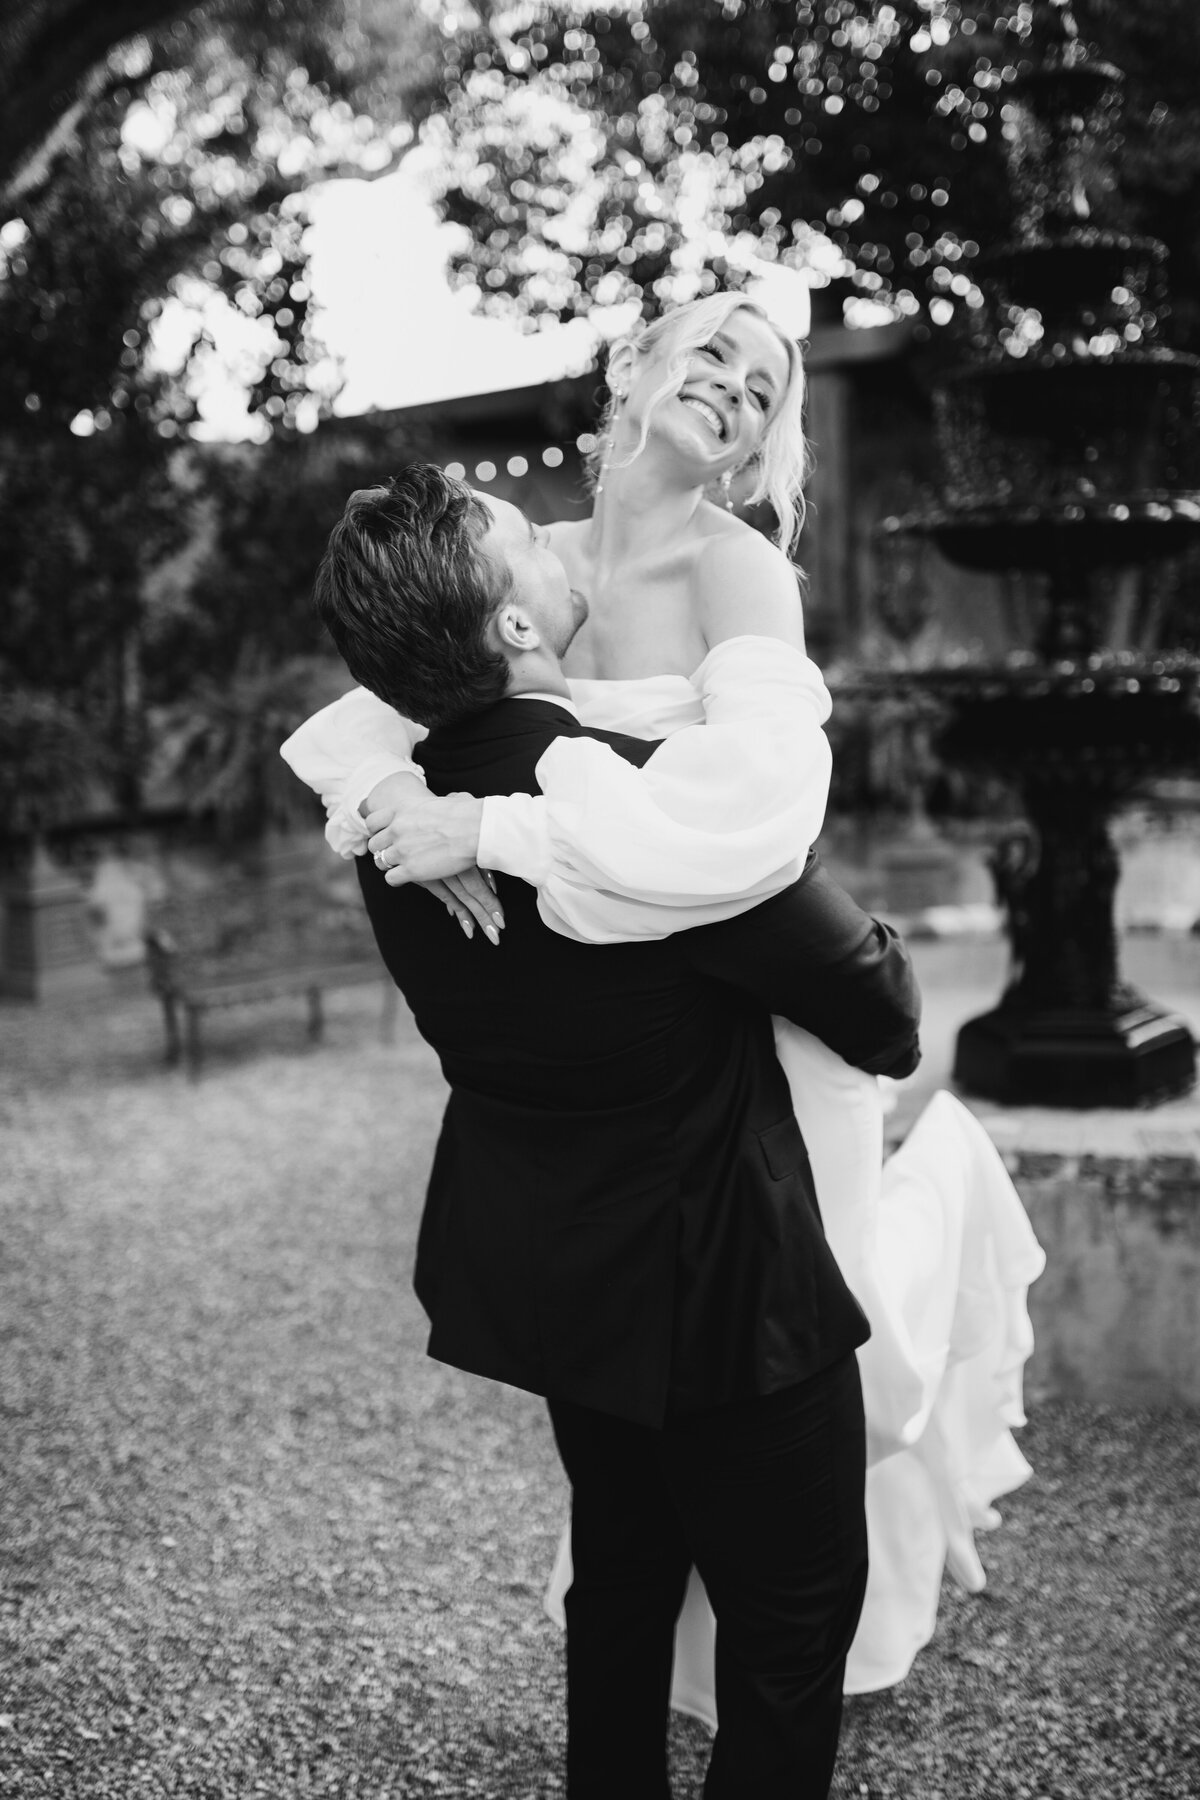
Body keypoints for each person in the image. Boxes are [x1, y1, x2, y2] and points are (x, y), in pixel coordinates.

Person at [282, 294, 1044, 1702]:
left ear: (764, 449)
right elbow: (371, 705)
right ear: (632, 369)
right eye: (712, 352)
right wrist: (391, 790)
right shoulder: (526, 562)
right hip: (612, 1063)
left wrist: (492, 829)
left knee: (808, 1326)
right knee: (665, 1454)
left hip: (737, 965)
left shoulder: (738, 569)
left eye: (765, 390)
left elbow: (746, 820)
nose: (736, 390)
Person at [306, 460, 922, 1798]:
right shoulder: (643, 800)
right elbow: (877, 1004)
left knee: (623, 1587)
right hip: (731, 1296)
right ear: (518, 624)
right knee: (789, 1620)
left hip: (562, 1284)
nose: (555, 539)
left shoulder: (396, 823)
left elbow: (369, 713)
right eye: (528, 537)